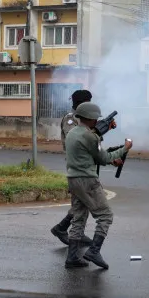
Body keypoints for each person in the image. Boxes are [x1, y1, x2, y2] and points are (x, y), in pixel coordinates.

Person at [63, 102, 131, 270]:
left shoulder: (72, 133)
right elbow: (103, 157)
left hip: (73, 179)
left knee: (79, 217)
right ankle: (94, 251)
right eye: (95, 118)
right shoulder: (90, 136)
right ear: (90, 118)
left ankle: (72, 257)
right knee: (105, 216)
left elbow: (88, 155)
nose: (96, 121)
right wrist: (125, 148)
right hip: (88, 180)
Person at [51, 89, 100, 247]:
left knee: (81, 201)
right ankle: (63, 228)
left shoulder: (84, 119)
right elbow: (77, 139)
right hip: (77, 165)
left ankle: (71, 231)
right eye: (88, 101)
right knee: (84, 200)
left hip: (86, 163)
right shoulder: (71, 119)